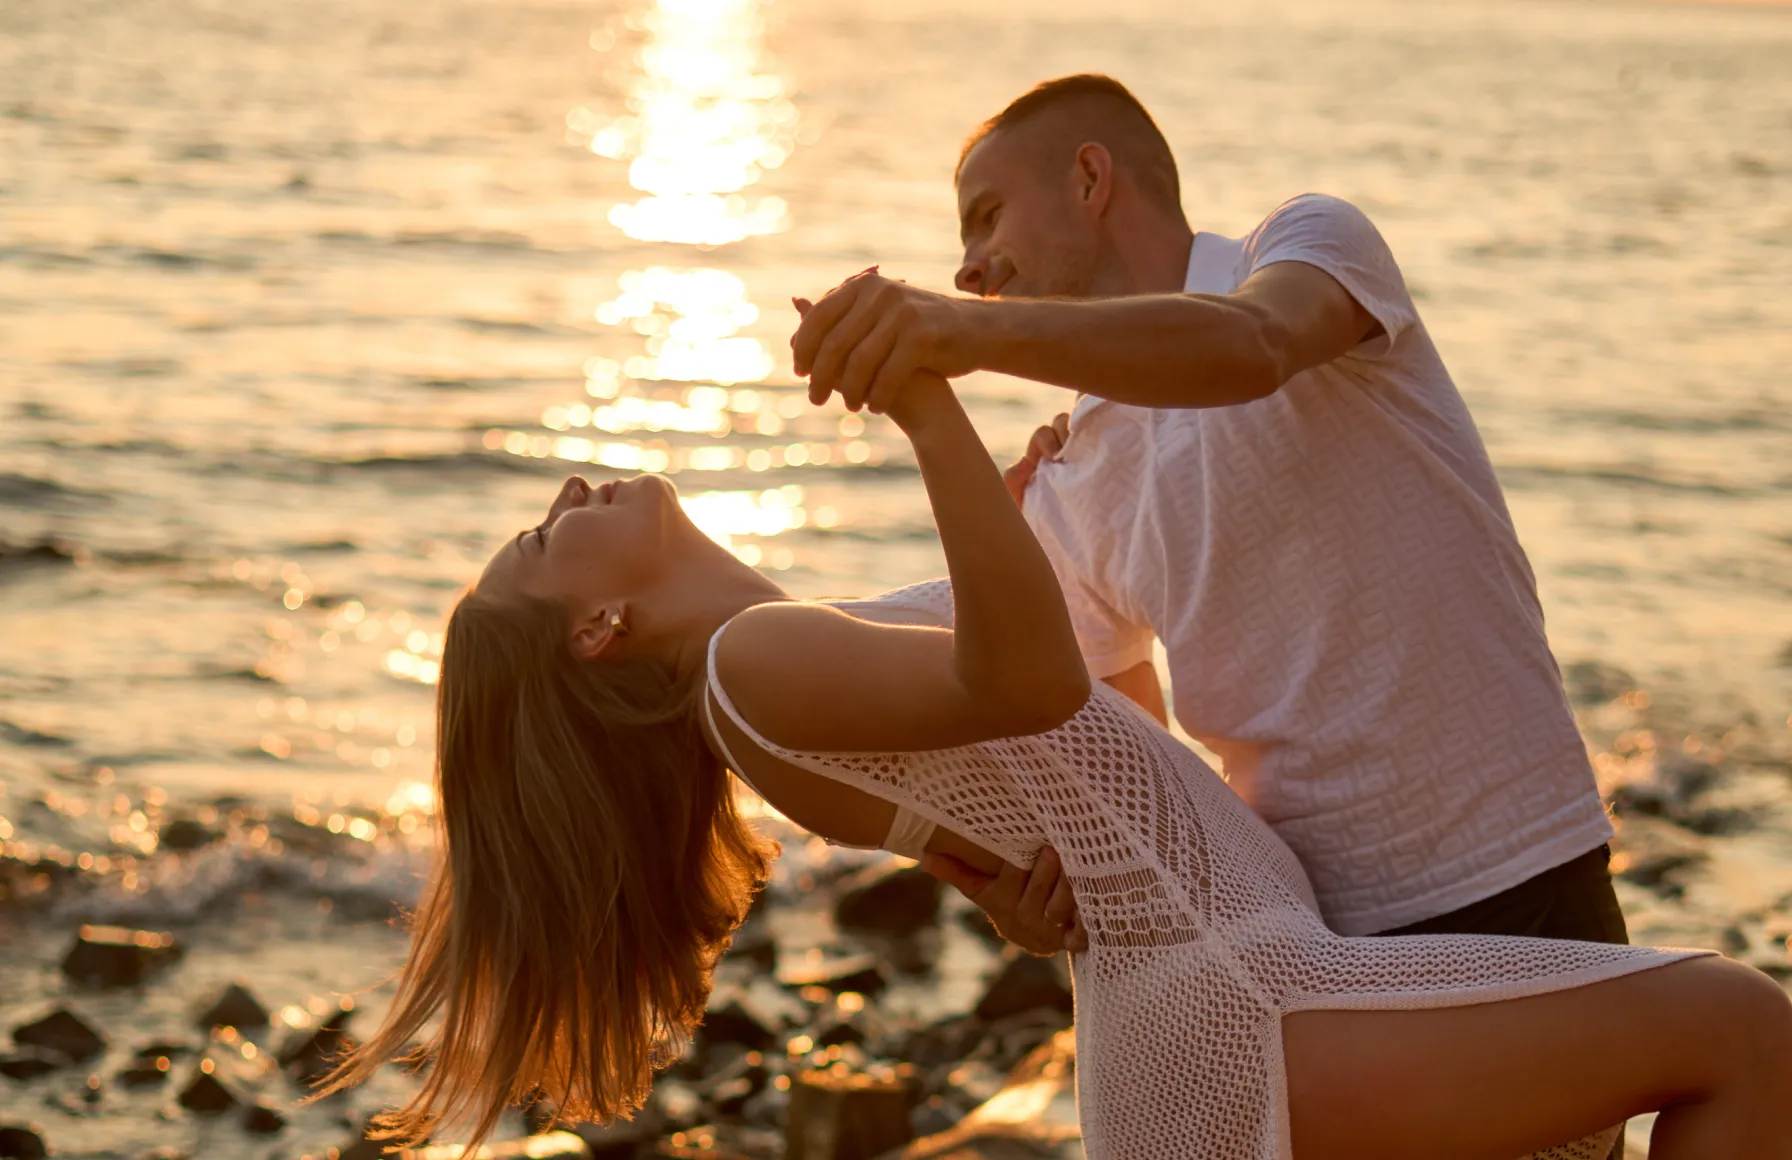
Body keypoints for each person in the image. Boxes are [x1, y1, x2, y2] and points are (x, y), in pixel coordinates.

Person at [320, 367, 1792, 1160]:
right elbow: (1024, 677)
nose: (572, 488)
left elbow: (1109, 727)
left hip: (1224, 1009)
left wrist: (1022, 524)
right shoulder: (748, 670)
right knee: (1736, 1032)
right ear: (594, 625)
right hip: (1248, 1011)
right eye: (543, 530)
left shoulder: (782, 667)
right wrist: (929, 407)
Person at [789, 75, 1629, 966]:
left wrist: (962, 333)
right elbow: (1137, 783)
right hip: (1314, 944)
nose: (968, 266)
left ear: (1089, 177)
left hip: (1523, 872)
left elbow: (1250, 346)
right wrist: (1050, 888)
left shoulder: (1305, 246)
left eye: (988, 215)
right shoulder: (1067, 483)